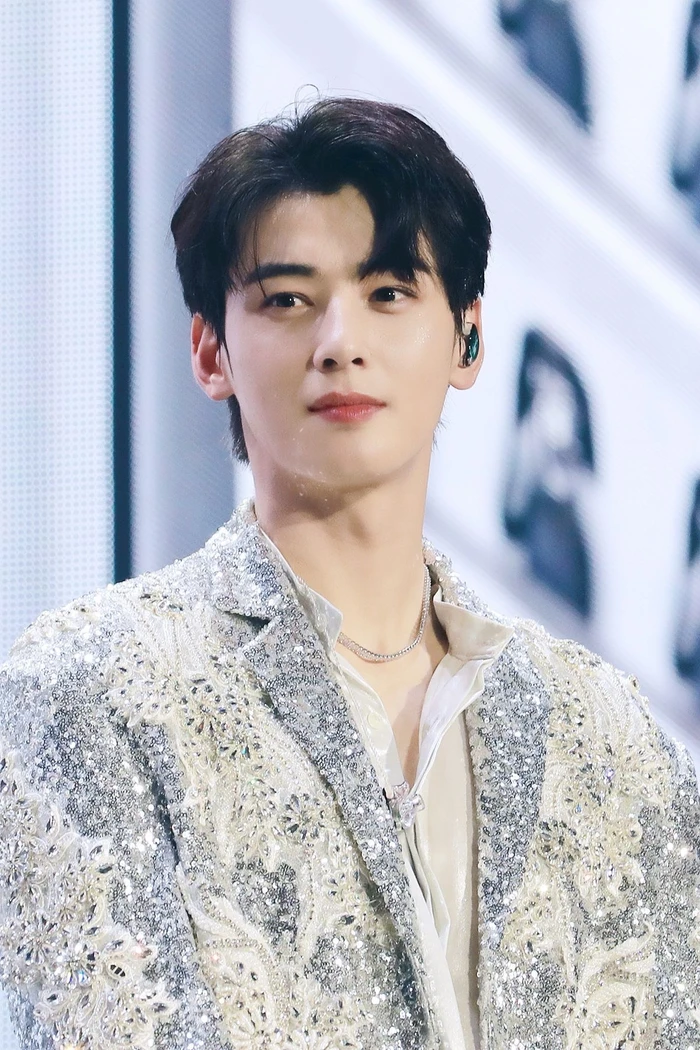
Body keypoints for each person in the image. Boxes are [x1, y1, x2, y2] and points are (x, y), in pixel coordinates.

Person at [0, 97, 698, 1050]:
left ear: (468, 337)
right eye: (288, 300)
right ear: (210, 351)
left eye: (389, 292)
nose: (340, 342)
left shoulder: (608, 735)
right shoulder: (87, 693)